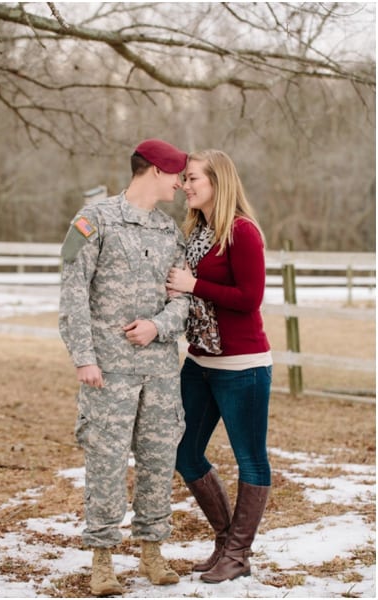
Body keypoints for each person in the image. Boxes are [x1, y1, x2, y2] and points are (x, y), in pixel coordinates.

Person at [59, 139, 190, 596]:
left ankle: (152, 551)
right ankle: (102, 560)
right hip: (107, 372)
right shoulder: (94, 220)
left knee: (158, 461)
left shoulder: (170, 232)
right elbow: (73, 294)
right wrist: (84, 358)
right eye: (176, 174)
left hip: (159, 371)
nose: (180, 183)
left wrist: (158, 325)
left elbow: (183, 301)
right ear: (154, 170)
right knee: (106, 463)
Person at [166, 149, 272, 583]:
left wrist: (195, 285)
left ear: (218, 182)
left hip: (242, 364)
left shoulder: (242, 232)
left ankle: (238, 553)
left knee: (250, 458)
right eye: (185, 180)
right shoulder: (198, 232)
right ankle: (226, 542)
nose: (185, 186)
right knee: (185, 451)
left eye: (193, 179)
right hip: (200, 359)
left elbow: (250, 299)